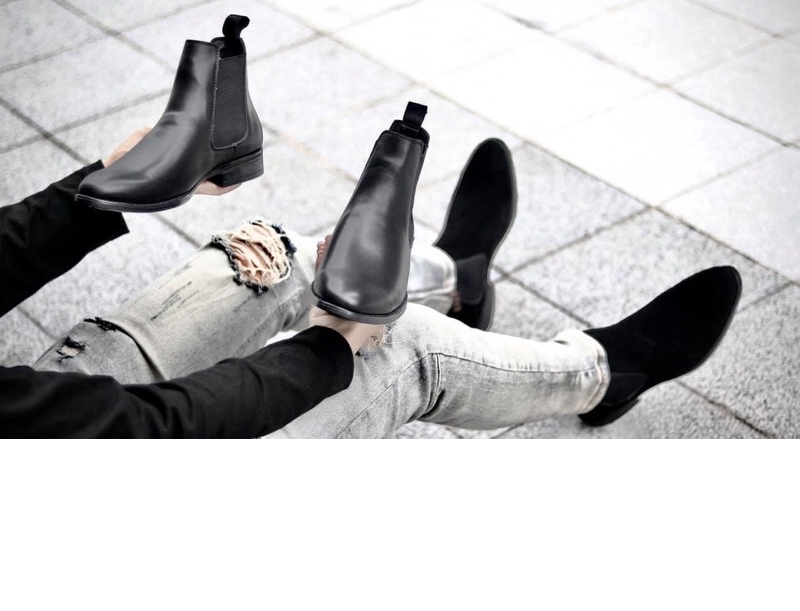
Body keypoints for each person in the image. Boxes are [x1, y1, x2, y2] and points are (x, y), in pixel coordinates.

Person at [0, 131, 742, 438]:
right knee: (392, 349)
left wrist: (95, 189)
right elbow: (155, 433)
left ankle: (453, 276)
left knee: (271, 261)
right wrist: (325, 351)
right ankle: (602, 372)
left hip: (46, 406)